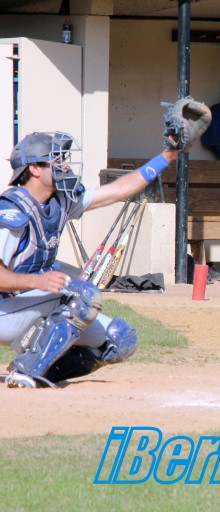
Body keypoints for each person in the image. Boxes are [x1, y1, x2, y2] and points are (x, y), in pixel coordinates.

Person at [0, 131, 178, 388]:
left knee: (119, 340)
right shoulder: (11, 211)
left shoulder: (60, 201)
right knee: (82, 295)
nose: (64, 166)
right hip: (5, 311)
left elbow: (119, 189)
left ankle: (35, 368)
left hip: (31, 304)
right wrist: (37, 281)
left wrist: (167, 156)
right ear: (35, 169)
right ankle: (27, 371)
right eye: (55, 161)